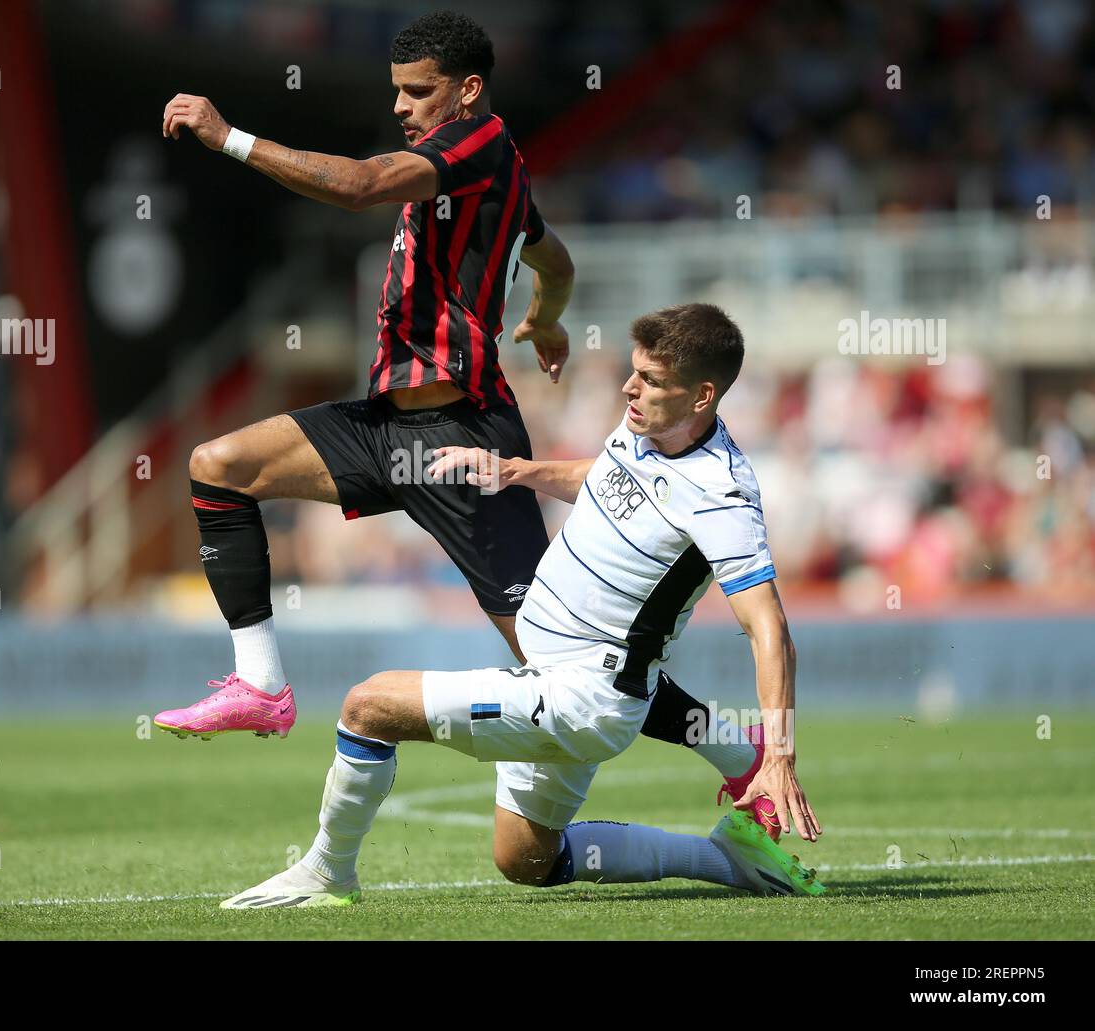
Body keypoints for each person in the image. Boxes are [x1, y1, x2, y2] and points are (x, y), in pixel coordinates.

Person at [221, 304, 825, 908]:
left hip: (585, 696)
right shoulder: (646, 429)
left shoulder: (722, 496)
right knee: (527, 860)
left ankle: (328, 872)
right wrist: (516, 471)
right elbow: (607, 475)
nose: (629, 388)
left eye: (651, 381)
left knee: (368, 706)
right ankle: (727, 861)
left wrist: (781, 753)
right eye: (633, 371)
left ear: (703, 397)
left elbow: (768, 627)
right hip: (558, 676)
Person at [154, 11, 572, 738]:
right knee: (219, 466)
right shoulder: (487, 176)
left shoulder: (478, 141)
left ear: (468, 91)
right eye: (397, 91)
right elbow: (553, 256)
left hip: (460, 438)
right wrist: (549, 316)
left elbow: (357, 185)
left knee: (563, 664)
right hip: (387, 427)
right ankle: (261, 686)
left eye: (417, 91)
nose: (400, 107)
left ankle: (737, 750)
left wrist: (229, 138)